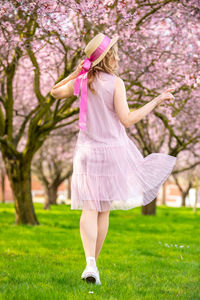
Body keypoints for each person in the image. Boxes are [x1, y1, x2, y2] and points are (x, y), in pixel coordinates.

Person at [50, 32, 177, 285]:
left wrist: (77, 72)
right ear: (110, 56)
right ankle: (92, 267)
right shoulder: (116, 83)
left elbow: (54, 92)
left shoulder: (83, 81)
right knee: (103, 211)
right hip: (112, 153)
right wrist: (156, 100)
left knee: (89, 208)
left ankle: (90, 265)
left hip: (86, 153)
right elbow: (128, 119)